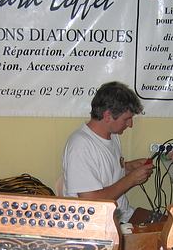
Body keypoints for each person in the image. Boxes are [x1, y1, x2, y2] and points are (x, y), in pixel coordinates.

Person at [62, 81, 153, 223]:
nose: (130, 124)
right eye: (127, 119)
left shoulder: (112, 135)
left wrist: (128, 168)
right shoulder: (81, 146)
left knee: (171, 224)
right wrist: (131, 180)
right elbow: (91, 203)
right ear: (108, 116)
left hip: (122, 215)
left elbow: (105, 174)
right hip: (98, 223)